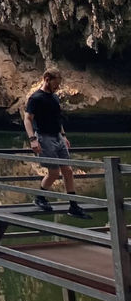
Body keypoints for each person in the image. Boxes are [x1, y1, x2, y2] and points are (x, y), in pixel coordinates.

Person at [23, 67, 90, 218]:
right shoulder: (36, 98)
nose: (57, 87)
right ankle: (40, 197)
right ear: (47, 79)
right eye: (55, 84)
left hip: (58, 137)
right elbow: (27, 119)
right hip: (44, 137)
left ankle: (73, 206)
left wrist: (64, 135)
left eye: (58, 84)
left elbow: (57, 119)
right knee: (54, 172)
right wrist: (32, 139)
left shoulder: (54, 97)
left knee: (68, 170)